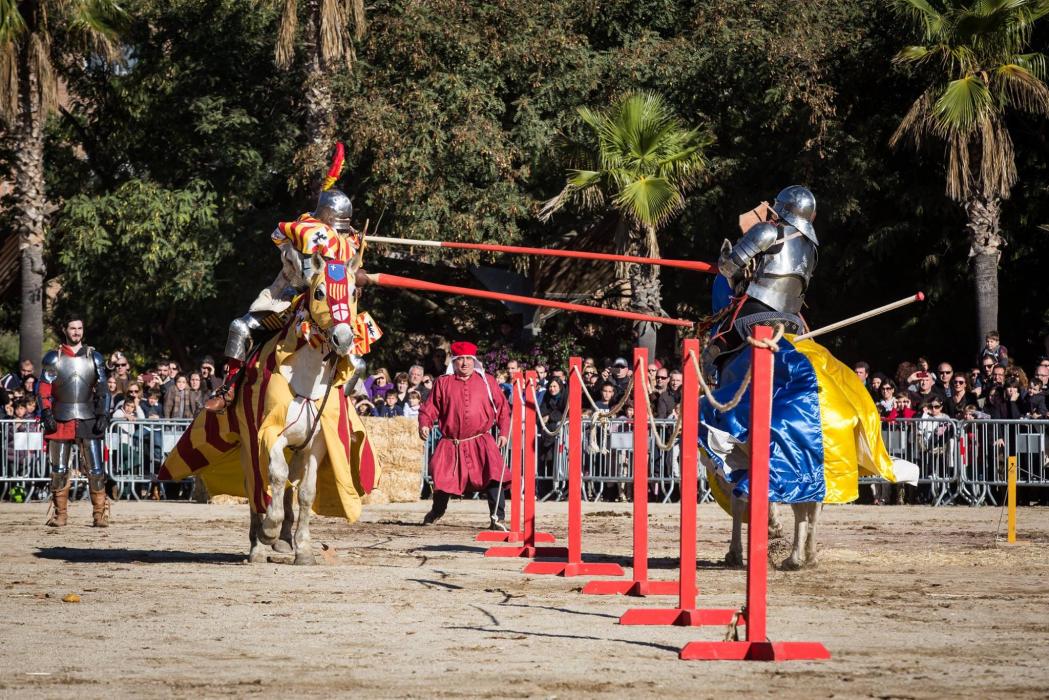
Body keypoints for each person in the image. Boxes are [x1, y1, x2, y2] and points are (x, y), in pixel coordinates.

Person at [205, 186, 363, 412]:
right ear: (326, 217)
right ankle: (228, 388)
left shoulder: (347, 244)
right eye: (337, 225)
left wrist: (358, 280)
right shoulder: (302, 233)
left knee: (353, 348)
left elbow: (347, 278)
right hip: (288, 299)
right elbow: (307, 274)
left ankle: (343, 405)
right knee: (240, 328)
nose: (340, 232)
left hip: (328, 308)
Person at [705, 186, 817, 374]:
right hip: (793, 321)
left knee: (714, 349)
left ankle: (712, 384)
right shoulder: (812, 249)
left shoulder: (769, 231)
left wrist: (725, 253)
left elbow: (727, 268)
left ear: (783, 207)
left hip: (757, 311)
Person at [418, 341, 511, 531]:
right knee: (442, 478)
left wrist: (503, 432)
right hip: (452, 442)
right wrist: (425, 424)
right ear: (454, 361)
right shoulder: (443, 382)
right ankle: (437, 510)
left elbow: (502, 408)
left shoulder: (488, 381)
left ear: (474, 361)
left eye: (469, 359)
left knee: (493, 476)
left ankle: (497, 517)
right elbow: (430, 408)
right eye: (460, 359)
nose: (465, 363)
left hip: (481, 440)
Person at [37, 313, 112, 528]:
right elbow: (43, 390)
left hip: (89, 415)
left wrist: (104, 413)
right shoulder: (54, 357)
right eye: (72, 328)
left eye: (79, 328)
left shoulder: (94, 356)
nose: (76, 332)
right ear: (65, 330)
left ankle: (99, 514)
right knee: (59, 469)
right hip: (61, 415)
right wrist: (46, 413)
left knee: (96, 469)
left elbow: (103, 389)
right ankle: (61, 514)